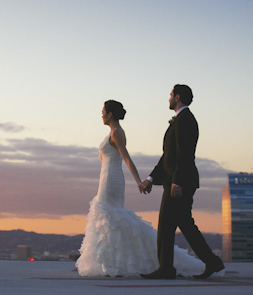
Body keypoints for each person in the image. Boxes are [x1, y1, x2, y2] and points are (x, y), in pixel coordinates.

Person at [76, 100, 204, 277]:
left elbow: (127, 159)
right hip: (105, 176)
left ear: (110, 114)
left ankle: (120, 262)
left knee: (109, 217)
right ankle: (110, 262)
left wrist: (139, 181)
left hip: (111, 180)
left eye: (103, 111)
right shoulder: (112, 133)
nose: (102, 115)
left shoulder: (116, 133)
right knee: (109, 219)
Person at [139, 85, 225, 279]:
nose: (168, 98)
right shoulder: (180, 120)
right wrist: (151, 178)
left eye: (170, 95)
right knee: (183, 224)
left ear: (177, 97)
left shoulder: (186, 120)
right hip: (175, 180)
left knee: (167, 225)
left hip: (179, 182)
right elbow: (167, 155)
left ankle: (167, 269)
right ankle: (210, 263)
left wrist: (177, 181)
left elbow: (184, 153)